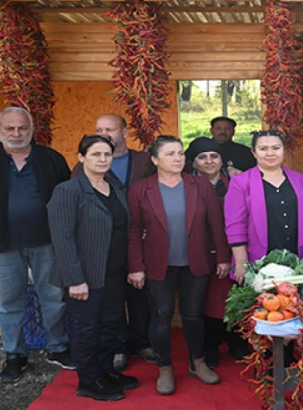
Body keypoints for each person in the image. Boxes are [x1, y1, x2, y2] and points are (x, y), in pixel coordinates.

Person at [127, 135, 231, 395]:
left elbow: (216, 224)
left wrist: (222, 257)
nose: (177, 158)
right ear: (155, 159)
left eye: (180, 153)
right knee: (161, 317)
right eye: (170, 154)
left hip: (194, 263)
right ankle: (164, 367)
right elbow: (133, 230)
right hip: (156, 265)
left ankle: (197, 363)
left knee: (193, 315)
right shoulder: (141, 189)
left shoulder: (200, 185)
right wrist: (136, 266)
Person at [0, 106, 74, 383]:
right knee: (8, 303)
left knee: (54, 297)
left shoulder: (51, 159)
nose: (16, 133)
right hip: (1, 246)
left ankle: (57, 347)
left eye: (22, 128)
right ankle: (14, 355)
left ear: (31, 129)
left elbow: (67, 198)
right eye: (10, 128)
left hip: (48, 243)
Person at [47, 135, 140, 401]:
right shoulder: (68, 191)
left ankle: (106, 370)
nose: (102, 160)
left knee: (110, 324)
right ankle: (88, 380)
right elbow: (62, 239)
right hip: (84, 275)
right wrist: (75, 279)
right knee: (86, 327)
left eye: (106, 155)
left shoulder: (115, 186)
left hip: (113, 272)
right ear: (81, 158)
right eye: (95, 154)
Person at [225, 130, 303, 363]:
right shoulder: (241, 182)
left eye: (275, 148)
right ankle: (266, 363)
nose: (270, 153)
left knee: (291, 310)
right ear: (254, 152)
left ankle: (287, 358)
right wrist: (240, 262)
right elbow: (235, 223)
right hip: (259, 257)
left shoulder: (299, 179)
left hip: (295, 256)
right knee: (265, 312)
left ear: (283, 150)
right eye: (264, 148)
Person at [71, 113, 156, 370]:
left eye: (111, 129)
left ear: (125, 133)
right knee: (112, 299)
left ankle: (141, 342)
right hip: (103, 246)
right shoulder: (82, 167)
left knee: (141, 296)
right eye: (99, 129)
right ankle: (119, 346)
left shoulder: (143, 161)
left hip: (141, 241)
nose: (104, 133)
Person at [185, 136, 250, 366]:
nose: (209, 161)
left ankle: (238, 342)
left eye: (214, 156)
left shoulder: (237, 182)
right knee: (204, 300)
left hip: (233, 250)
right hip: (198, 250)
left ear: (222, 160)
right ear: (193, 163)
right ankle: (209, 346)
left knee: (234, 296)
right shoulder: (185, 186)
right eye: (202, 157)